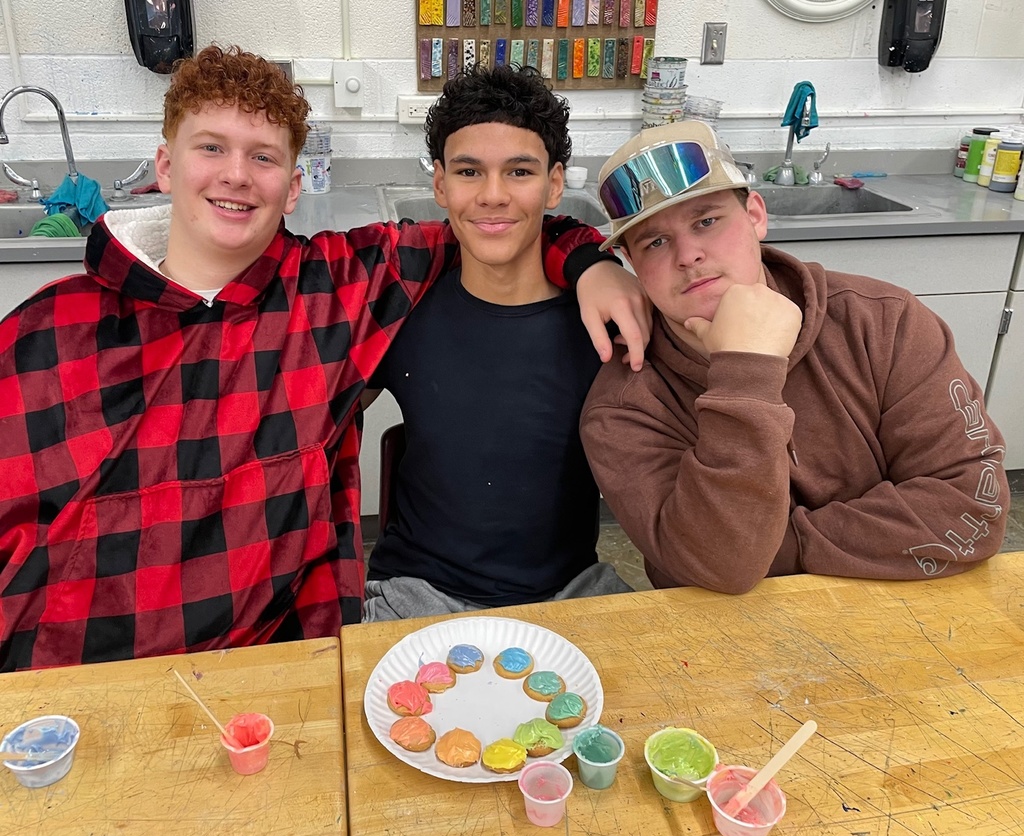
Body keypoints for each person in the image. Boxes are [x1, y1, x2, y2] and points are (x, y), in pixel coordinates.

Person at [0, 46, 648, 671]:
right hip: (78, 674)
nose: (235, 174)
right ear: (165, 166)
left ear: (293, 186)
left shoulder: (334, 290)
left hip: (277, 662)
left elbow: (505, 229)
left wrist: (592, 261)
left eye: (262, 156)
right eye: (212, 148)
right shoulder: (46, 334)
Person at [581, 120, 1009, 594]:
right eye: (654, 242)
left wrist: (780, 546)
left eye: (706, 221)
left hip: (907, 614)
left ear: (756, 216)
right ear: (631, 264)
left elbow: (972, 508)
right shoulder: (624, 406)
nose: (688, 255)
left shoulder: (885, 323)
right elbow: (722, 567)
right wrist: (746, 375)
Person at [361, 65, 634, 621]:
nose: (493, 196)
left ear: (555, 184)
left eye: (519, 171)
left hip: (570, 591)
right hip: (417, 591)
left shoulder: (607, 320)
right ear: (439, 184)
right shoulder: (400, 309)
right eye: (469, 171)